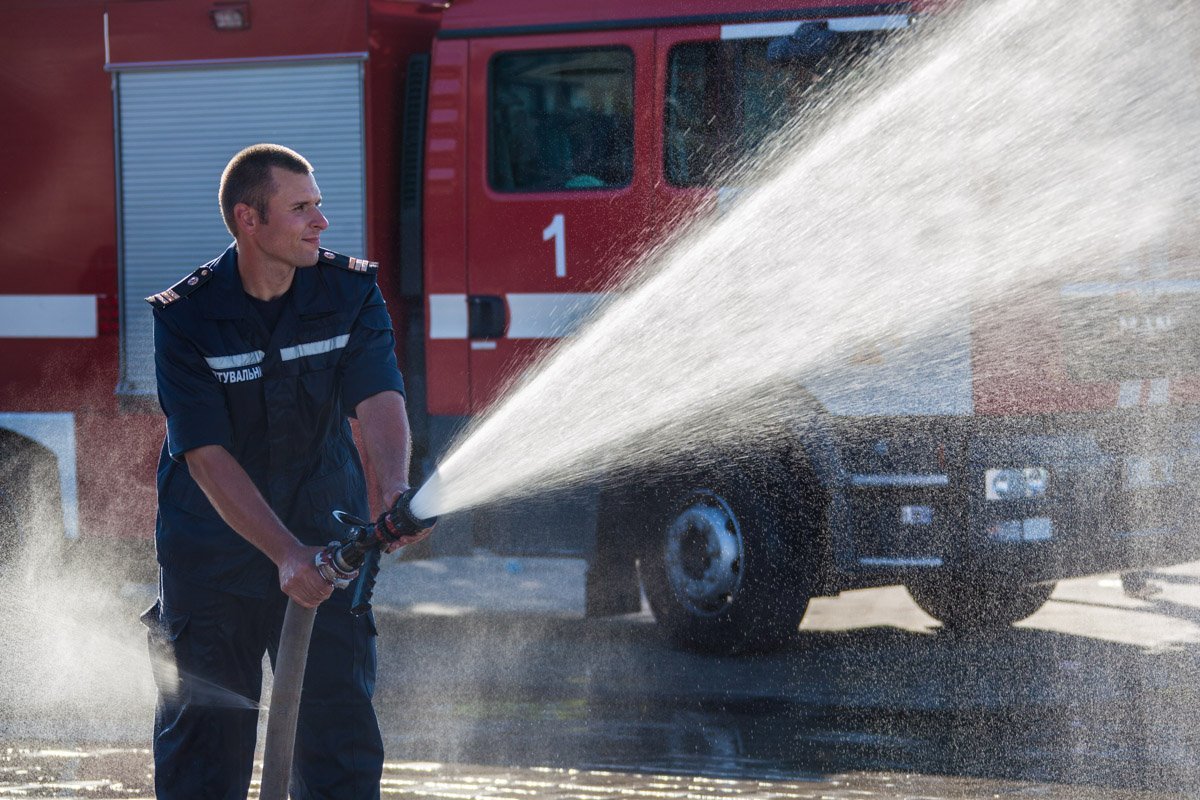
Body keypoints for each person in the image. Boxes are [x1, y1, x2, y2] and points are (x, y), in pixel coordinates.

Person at [141, 143, 430, 799]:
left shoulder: (349, 290)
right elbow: (205, 455)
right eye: (301, 208)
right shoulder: (187, 318)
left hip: (327, 546)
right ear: (249, 219)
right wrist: (284, 553)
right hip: (212, 557)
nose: (320, 222)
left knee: (338, 742)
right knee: (205, 746)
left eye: (318, 205)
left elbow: (380, 396)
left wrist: (392, 492)